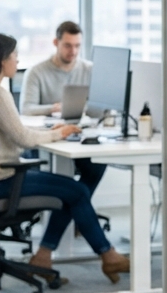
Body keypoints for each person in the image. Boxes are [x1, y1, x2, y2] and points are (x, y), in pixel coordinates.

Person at [0, 33, 129, 284]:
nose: (17, 61)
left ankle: (44, 256)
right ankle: (108, 255)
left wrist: (50, 132)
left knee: (73, 191)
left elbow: (16, 131)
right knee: (78, 191)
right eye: (15, 56)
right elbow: (24, 139)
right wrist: (59, 133)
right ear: (2, 60)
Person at [19, 20, 108, 196]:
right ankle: (76, 207)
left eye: (77, 46)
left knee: (98, 164)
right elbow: (26, 109)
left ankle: (74, 209)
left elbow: (101, 110)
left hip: (77, 137)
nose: (73, 51)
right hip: (45, 141)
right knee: (66, 185)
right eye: (68, 45)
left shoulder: (89, 70)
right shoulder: (36, 72)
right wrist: (54, 108)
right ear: (56, 43)